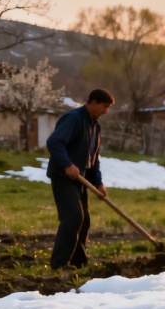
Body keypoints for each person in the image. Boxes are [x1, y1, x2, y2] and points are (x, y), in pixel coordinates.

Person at [46, 88, 115, 271]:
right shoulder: (74, 118)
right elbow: (54, 143)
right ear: (93, 102)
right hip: (63, 176)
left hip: (80, 178)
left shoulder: (95, 126)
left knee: (84, 221)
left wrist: (98, 183)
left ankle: (78, 261)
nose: (106, 111)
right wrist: (67, 164)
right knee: (74, 217)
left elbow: (93, 159)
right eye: (104, 106)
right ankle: (59, 264)